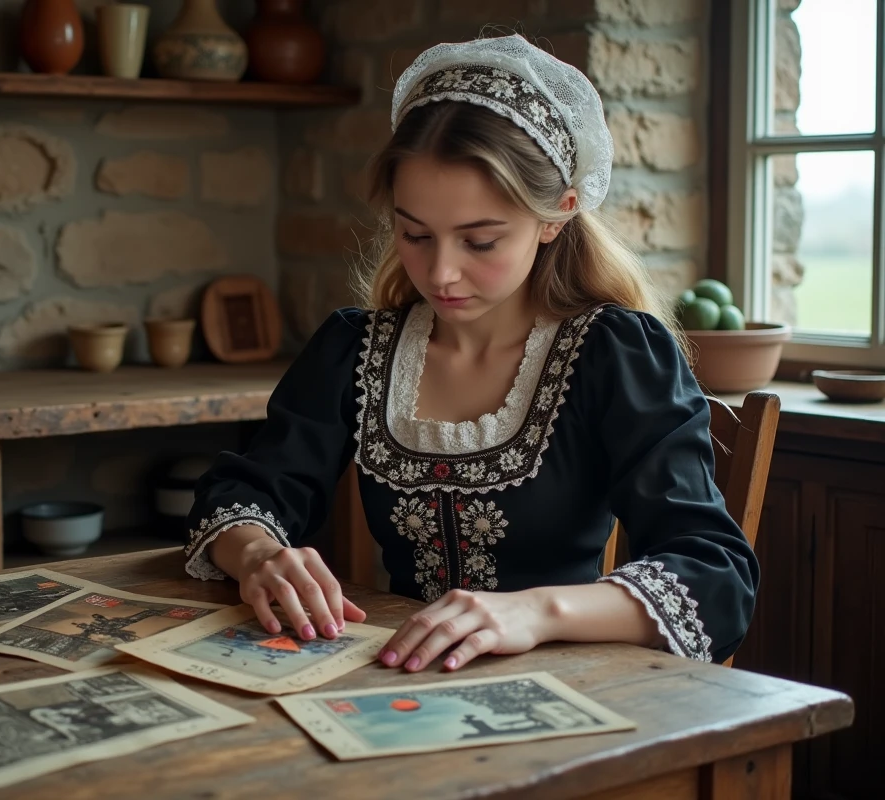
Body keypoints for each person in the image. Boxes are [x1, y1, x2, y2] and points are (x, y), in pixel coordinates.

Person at [181, 35, 759, 670]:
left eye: (480, 241)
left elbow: (715, 578)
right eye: (415, 234)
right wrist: (260, 554)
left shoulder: (615, 354)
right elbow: (243, 492)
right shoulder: (356, 349)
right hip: (397, 674)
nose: (441, 273)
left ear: (557, 215)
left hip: (571, 684)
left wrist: (535, 612)